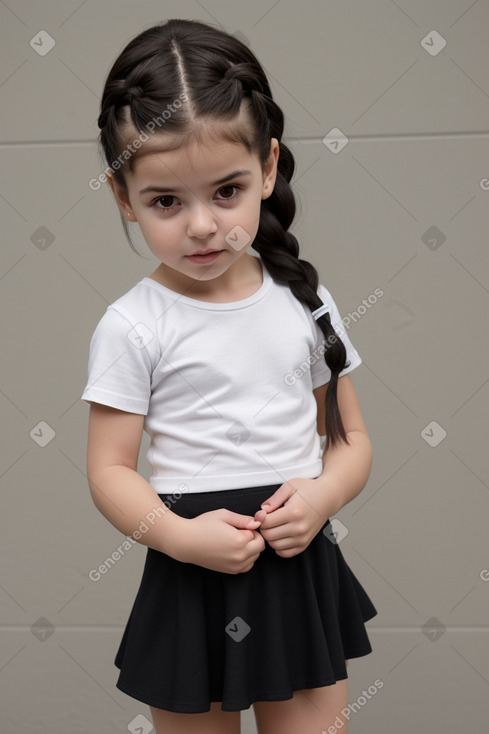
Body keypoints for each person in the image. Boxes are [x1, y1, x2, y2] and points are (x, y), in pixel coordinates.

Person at [81, 18, 377, 734]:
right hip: (194, 572)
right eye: (165, 202)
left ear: (268, 168)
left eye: (226, 191)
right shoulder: (133, 325)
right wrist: (177, 537)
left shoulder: (303, 299)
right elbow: (110, 472)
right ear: (123, 197)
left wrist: (321, 497)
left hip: (296, 565)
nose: (203, 226)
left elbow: (350, 439)